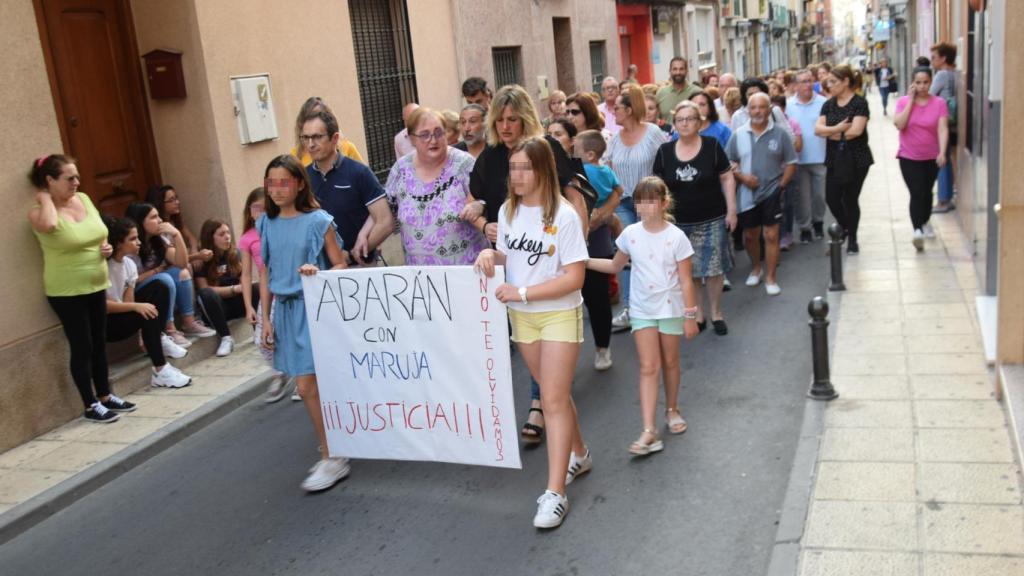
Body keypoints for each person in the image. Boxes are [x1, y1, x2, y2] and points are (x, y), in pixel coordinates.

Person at [473, 137, 590, 529]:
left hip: (558, 313)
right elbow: (514, 255)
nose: (517, 176)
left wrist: (523, 291)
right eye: (513, 168)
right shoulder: (508, 211)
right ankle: (580, 453)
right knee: (554, 392)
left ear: (543, 170)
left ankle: (555, 493)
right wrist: (491, 254)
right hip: (522, 318)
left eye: (525, 167)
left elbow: (575, 277)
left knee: (552, 399)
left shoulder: (566, 215)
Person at [463, 84, 590, 446]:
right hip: (513, 256)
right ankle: (571, 441)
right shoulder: (488, 157)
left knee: (552, 391)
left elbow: (572, 191)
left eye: (512, 119)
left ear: (525, 120)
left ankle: (541, 405)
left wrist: (573, 241)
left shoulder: (544, 148)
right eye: (499, 120)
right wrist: (481, 225)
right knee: (541, 361)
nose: (505, 127)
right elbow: (477, 202)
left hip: (552, 261)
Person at [258, 154, 350, 492]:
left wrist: (320, 273)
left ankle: (332, 456)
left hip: (315, 310)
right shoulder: (265, 223)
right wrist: (266, 320)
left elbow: (342, 265)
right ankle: (334, 446)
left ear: (298, 184)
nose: (277, 189)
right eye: (271, 182)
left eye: (284, 181)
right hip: (284, 312)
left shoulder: (318, 221)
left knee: (307, 387)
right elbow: (265, 272)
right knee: (311, 387)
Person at [588, 177, 699, 454]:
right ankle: (649, 430)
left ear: (664, 203)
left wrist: (690, 315)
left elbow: (686, 280)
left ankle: (672, 409)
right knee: (649, 367)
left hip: (671, 308)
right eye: (640, 201)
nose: (645, 206)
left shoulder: (676, 237)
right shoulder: (630, 234)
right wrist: (584, 261)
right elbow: (615, 265)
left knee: (671, 362)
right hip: (642, 309)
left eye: (651, 200)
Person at [28, 154, 135, 423]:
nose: (77, 182)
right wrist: (44, 198)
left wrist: (107, 248)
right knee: (83, 345)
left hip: (96, 283)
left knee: (99, 341)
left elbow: (98, 233)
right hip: (67, 291)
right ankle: (89, 405)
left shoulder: (84, 199)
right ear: (49, 180)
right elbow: (52, 225)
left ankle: (105, 396)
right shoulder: (38, 213)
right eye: (69, 178)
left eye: (77, 176)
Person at [654, 102, 736, 334]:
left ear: (699, 123)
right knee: (689, 271)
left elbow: (727, 177)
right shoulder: (664, 152)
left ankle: (716, 313)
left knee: (713, 268)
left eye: (690, 119)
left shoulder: (711, 146)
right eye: (680, 119)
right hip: (677, 223)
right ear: (675, 123)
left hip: (712, 217)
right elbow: (657, 187)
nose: (685, 123)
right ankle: (698, 314)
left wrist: (732, 210)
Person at [384, 107, 488, 265]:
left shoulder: (464, 165)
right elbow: (384, 212)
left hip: (465, 274)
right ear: (412, 139)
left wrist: (480, 206)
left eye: (439, 133)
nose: (433, 140)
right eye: (425, 135)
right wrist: (365, 240)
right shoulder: (401, 169)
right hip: (420, 278)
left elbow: (489, 201)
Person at [103, 216, 192, 387]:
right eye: (133, 239)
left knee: (160, 286)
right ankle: (161, 370)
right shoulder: (104, 267)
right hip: (107, 325)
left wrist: (137, 308)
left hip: (123, 314)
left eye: (138, 238)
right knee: (146, 311)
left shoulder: (128, 264)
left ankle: (157, 339)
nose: (138, 242)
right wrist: (137, 307)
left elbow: (129, 301)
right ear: (119, 243)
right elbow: (104, 306)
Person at [608, 85, 669, 330]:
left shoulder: (653, 132)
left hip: (650, 201)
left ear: (630, 109)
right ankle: (630, 309)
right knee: (627, 252)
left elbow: (666, 162)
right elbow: (610, 171)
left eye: (617, 108)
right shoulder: (613, 140)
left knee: (653, 253)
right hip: (624, 202)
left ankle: (658, 302)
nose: (613, 113)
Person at [726, 93, 797, 296]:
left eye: (762, 107)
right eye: (753, 107)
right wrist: (742, 177)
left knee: (772, 235)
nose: (757, 111)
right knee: (750, 236)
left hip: (772, 193)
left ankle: (771, 277)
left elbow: (792, 163)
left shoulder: (780, 134)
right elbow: (728, 164)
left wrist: (781, 186)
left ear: (769, 109)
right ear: (748, 110)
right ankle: (756, 268)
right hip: (746, 196)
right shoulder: (738, 134)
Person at [303, 108, 394, 266]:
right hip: (320, 271)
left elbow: (385, 221)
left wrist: (353, 255)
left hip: (359, 268)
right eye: (306, 138)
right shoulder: (302, 178)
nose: (310, 144)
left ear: (334, 138)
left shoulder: (359, 172)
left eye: (317, 137)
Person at [126, 202, 217, 345]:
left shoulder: (158, 239)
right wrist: (155, 271)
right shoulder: (130, 243)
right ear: (140, 221)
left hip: (158, 287)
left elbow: (181, 263)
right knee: (165, 278)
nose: (160, 220)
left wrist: (176, 234)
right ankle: (170, 329)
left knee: (182, 272)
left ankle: (188, 322)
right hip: (136, 293)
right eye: (154, 217)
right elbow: (129, 281)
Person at [237, 187, 294, 403]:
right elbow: (245, 274)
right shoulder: (247, 238)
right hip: (266, 291)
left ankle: (302, 377)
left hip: (286, 286)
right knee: (262, 338)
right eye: (255, 208)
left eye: (264, 207)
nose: (260, 212)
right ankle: (279, 371)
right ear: (249, 211)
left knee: (291, 333)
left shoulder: (279, 228)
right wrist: (248, 306)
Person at [815, 64, 874, 254]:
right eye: (828, 82)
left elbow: (856, 131)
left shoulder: (859, 103)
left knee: (850, 199)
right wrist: (839, 129)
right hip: (834, 157)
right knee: (832, 198)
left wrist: (831, 132)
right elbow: (818, 130)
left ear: (846, 81)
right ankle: (845, 227)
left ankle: (853, 240)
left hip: (856, 158)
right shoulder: (828, 104)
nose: (829, 85)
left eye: (833, 81)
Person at [575, 129, 621, 370]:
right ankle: (600, 350)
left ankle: (602, 348)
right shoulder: (605, 170)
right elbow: (619, 190)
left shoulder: (583, 171)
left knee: (598, 300)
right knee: (594, 302)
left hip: (594, 242)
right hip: (582, 241)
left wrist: (601, 215)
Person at [894, 67, 948, 252]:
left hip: (931, 157)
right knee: (916, 192)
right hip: (908, 156)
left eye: (925, 82)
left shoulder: (939, 103)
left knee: (927, 192)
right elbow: (899, 124)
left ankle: (925, 220)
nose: (922, 86)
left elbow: (942, 128)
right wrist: (911, 101)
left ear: (931, 82)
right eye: (918, 82)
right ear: (912, 83)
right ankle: (917, 230)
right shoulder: (902, 102)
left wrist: (942, 152)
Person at [194, 218, 255, 357]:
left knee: (256, 288)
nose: (227, 237)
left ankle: (258, 330)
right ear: (210, 237)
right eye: (221, 234)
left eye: (228, 233)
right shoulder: (202, 260)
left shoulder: (235, 254)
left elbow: (244, 282)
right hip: (216, 309)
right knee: (207, 293)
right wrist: (234, 289)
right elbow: (204, 289)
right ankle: (226, 338)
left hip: (237, 304)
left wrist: (241, 288)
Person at [788, 68, 830, 244]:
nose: (808, 85)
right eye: (803, 81)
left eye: (809, 80)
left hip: (820, 156)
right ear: (795, 85)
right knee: (802, 197)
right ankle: (805, 228)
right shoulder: (789, 105)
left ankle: (818, 221)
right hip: (798, 159)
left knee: (819, 195)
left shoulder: (823, 103)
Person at [145, 185, 210, 273]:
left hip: (182, 257)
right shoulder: (158, 228)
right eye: (172, 200)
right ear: (160, 203)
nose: (177, 202)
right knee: (187, 267)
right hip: (168, 265)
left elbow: (192, 239)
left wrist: (194, 249)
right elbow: (174, 258)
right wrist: (197, 256)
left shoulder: (174, 220)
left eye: (176, 198)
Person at [289, 97, 364, 166]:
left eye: (318, 136)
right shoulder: (295, 156)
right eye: (310, 118)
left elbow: (362, 175)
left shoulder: (347, 148)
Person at [771, 94, 803, 251]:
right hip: (772, 174)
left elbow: (795, 147)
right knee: (776, 206)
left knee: (788, 204)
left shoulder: (786, 127)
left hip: (787, 171)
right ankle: (778, 235)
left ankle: (787, 233)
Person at [930, 42, 958, 213]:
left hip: (943, 121)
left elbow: (930, 95)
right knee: (947, 157)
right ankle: (947, 196)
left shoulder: (941, 75)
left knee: (942, 160)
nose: (932, 61)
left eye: (934, 57)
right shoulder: (954, 73)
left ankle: (943, 200)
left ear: (943, 58)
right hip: (953, 121)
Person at [656, 57, 701, 123]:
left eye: (681, 69)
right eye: (675, 69)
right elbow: (656, 120)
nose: (678, 72)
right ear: (670, 71)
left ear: (686, 71)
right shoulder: (661, 93)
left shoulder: (698, 92)